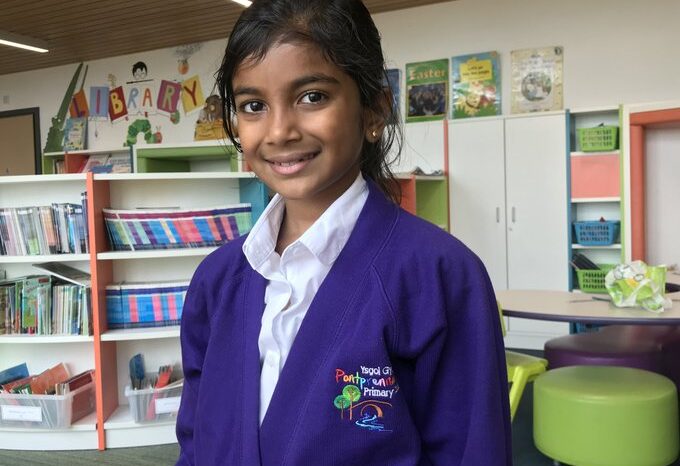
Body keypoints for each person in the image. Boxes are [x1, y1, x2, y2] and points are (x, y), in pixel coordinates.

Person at [175, 0, 511, 464]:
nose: (279, 131)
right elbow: (195, 439)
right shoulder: (216, 281)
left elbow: (473, 451)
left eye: (312, 96)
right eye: (253, 106)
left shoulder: (441, 276)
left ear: (374, 111)